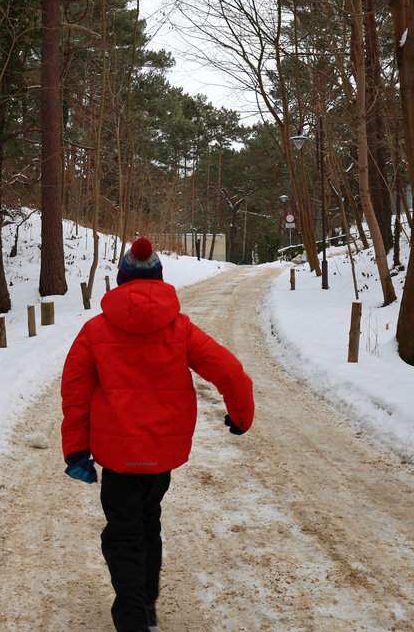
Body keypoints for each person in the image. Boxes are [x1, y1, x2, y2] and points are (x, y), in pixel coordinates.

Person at [61, 237, 255, 632]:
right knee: (149, 522)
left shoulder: (95, 330)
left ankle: (133, 618)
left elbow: (75, 393)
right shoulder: (180, 328)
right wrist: (240, 416)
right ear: (159, 280)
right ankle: (146, 608)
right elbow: (229, 371)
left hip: (117, 457)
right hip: (162, 455)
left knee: (123, 534)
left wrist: (77, 451)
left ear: (121, 280)